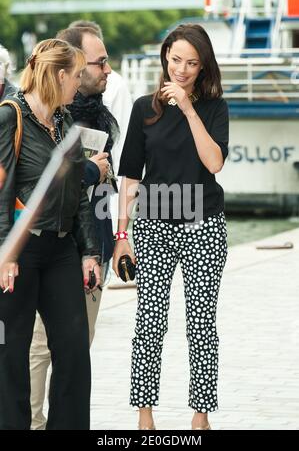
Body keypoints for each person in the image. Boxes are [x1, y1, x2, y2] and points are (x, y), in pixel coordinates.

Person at [113, 23, 229, 430]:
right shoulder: (144, 108)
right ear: (165, 57)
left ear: (202, 68)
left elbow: (214, 163)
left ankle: (200, 417)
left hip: (204, 225)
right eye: (176, 59)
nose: (181, 70)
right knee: (150, 320)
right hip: (153, 226)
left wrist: (189, 108)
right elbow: (129, 177)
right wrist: (121, 237)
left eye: (192, 64)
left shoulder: (214, 107)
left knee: (201, 322)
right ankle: (145, 418)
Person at [0, 38, 101, 430]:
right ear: (59, 75)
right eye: (76, 76)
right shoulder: (11, 116)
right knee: (11, 354)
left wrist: (89, 250)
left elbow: (76, 195)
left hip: (60, 250)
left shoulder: (63, 123)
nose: (80, 83)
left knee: (74, 351)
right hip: (20, 251)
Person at [29, 26, 119, 430]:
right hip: (45, 252)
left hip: (89, 248)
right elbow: (37, 184)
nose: (106, 69)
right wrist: (88, 169)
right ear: (71, 68)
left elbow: (102, 193)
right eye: (98, 62)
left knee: (76, 351)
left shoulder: (103, 115)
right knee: (38, 348)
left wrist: (115, 241)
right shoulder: (43, 117)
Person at [68, 19, 133, 232]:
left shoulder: (108, 97)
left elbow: (123, 155)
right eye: (101, 61)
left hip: (102, 217)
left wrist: (118, 229)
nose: (108, 70)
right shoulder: (50, 113)